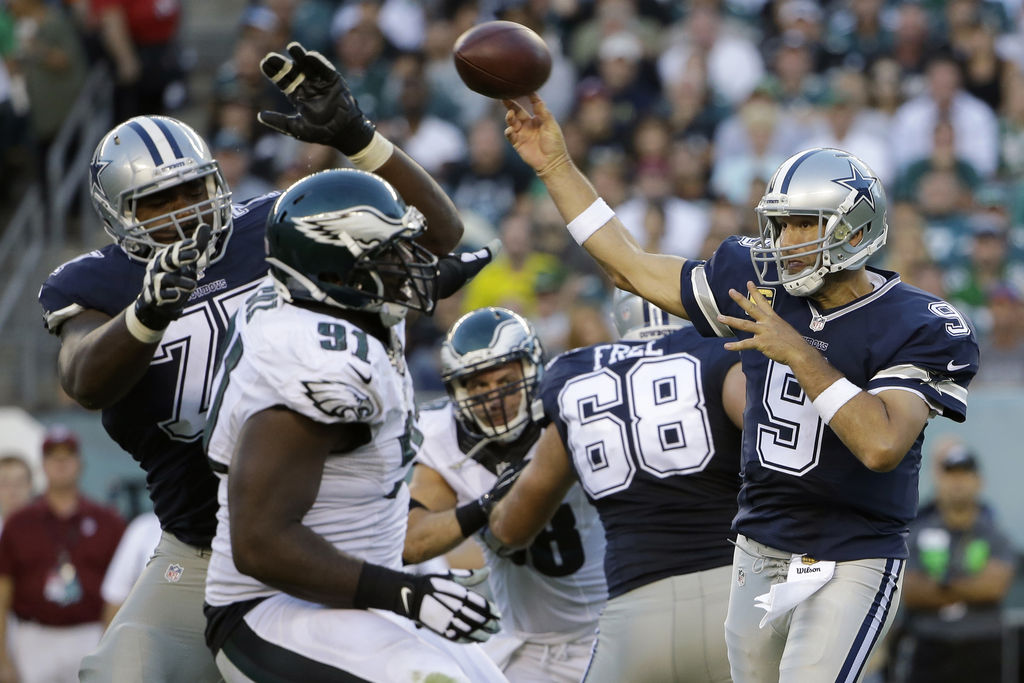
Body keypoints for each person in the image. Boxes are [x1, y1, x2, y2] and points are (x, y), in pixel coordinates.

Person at [38, 41, 491, 683]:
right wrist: (146, 313)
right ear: (119, 215)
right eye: (158, 202)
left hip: (336, 532)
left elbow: (439, 235)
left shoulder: (274, 225)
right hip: (206, 548)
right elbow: (83, 378)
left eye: (193, 188)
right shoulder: (96, 285)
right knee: (123, 674)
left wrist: (358, 140)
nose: (185, 210)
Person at [502, 93, 980, 683]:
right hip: (758, 548)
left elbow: (881, 444)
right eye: (780, 224)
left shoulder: (919, 322)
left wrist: (796, 350)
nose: (786, 240)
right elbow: (629, 266)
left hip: (853, 552)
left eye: (805, 223)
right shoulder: (758, 281)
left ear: (855, 228)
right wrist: (554, 166)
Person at [203, 168, 503, 682]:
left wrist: (360, 138)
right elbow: (259, 544)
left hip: (355, 593)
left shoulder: (335, 304)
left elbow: (432, 242)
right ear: (341, 278)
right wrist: (406, 593)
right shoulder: (319, 364)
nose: (410, 264)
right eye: (389, 255)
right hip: (273, 607)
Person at [488, 291, 745, 683]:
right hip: (735, 595)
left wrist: (484, 509)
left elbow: (512, 528)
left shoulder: (577, 377)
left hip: (635, 618)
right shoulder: (723, 355)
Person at [404, 307, 607, 682]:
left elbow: (512, 532)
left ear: (532, 372)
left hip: (608, 629)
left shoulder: (569, 411)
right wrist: (484, 505)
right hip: (524, 644)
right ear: (457, 389)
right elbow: (412, 542)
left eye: (505, 381)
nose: (493, 397)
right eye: (478, 386)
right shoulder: (442, 435)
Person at [0, 426, 125, 683]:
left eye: (67, 456)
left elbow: (124, 588)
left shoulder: (108, 521)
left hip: (91, 633)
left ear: (80, 463)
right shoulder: (18, 523)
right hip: (34, 636)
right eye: (53, 457)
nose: (61, 464)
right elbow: (3, 590)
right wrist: (3, 657)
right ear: (42, 466)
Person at [893, 442, 1016, 683]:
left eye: (965, 474)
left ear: (979, 481)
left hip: (983, 647)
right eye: (951, 475)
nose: (958, 483)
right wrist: (970, 586)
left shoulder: (995, 535)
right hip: (929, 648)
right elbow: (910, 591)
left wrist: (940, 586)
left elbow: (994, 588)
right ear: (939, 481)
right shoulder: (916, 532)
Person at [0, 454, 33, 536]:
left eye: (19, 483)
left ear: (30, 486)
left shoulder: (44, 530)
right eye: (5, 483)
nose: (12, 491)